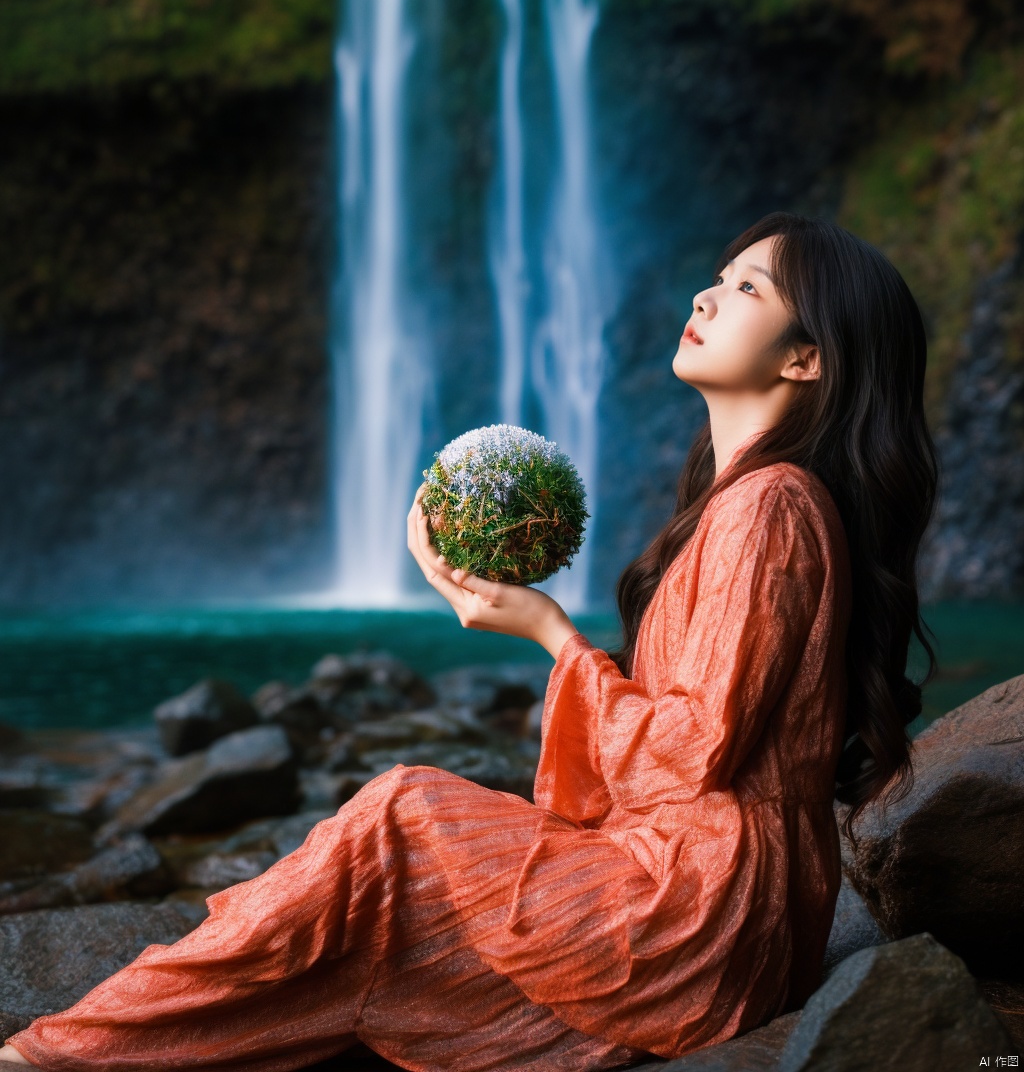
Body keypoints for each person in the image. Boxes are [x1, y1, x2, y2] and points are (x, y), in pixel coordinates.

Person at [1, 213, 936, 1072]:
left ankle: (62, 1050)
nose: (705, 295)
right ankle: (117, 1031)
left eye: (747, 290)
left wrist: (550, 634)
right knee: (368, 911)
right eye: (718, 277)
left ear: (806, 359)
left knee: (402, 814)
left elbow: (691, 760)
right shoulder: (742, 505)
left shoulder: (772, 508)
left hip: (701, 913)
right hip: (725, 903)